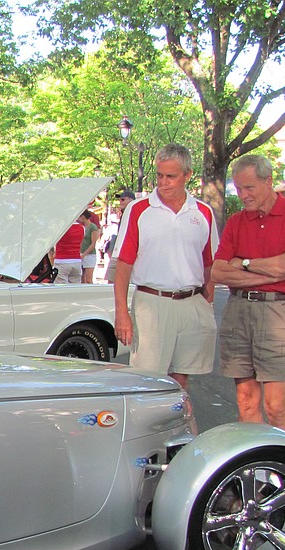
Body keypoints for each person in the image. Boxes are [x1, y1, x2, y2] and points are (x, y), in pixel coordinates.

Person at [211, 154, 285, 432]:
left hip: (279, 312)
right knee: (245, 401)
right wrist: (273, 270)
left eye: (249, 188)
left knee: (276, 406)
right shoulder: (235, 222)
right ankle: (256, 470)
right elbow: (218, 272)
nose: (243, 195)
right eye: (239, 188)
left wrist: (243, 263)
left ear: (268, 182)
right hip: (239, 311)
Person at [113, 144, 218, 389]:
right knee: (147, 379)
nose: (163, 182)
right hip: (152, 302)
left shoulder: (203, 212)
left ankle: (177, 425)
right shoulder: (139, 210)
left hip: (192, 302)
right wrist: (122, 313)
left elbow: (210, 261)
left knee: (182, 377)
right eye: (159, 175)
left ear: (188, 175)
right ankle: (147, 426)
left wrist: (207, 299)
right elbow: (123, 265)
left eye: (171, 176)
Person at [104, 189, 135, 284]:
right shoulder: (124, 214)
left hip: (126, 253)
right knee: (111, 280)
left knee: (115, 280)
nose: (120, 202)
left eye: (122, 199)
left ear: (131, 200)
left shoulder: (134, 214)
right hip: (119, 252)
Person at [52, 214, 85, 283]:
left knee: (60, 287)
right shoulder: (82, 227)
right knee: (75, 286)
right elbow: (81, 243)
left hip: (62, 260)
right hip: (76, 260)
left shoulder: (61, 227)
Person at [80, 209, 100, 283]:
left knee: (88, 279)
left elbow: (93, 243)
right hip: (81, 253)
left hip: (89, 255)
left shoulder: (92, 227)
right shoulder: (81, 227)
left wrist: (84, 254)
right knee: (82, 279)